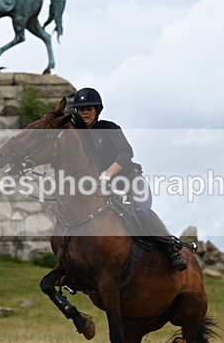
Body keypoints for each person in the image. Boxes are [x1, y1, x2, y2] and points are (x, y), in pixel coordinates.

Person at [71, 87, 188, 272]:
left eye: (89, 108)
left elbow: (127, 152)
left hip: (129, 180)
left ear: (97, 110)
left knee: (141, 210)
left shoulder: (109, 128)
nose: (84, 112)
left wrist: (107, 174)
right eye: (81, 109)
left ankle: (171, 249)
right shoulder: (78, 137)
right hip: (103, 188)